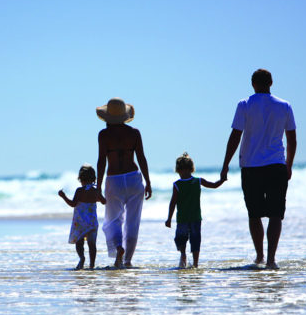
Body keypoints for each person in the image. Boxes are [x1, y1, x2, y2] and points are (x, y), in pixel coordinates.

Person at [220, 69, 297, 269]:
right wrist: (288, 165)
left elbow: (235, 136)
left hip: (251, 166)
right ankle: (271, 259)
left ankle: (260, 256)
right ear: (271, 82)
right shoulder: (284, 105)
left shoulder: (245, 104)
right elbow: (291, 139)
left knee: (254, 214)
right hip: (276, 165)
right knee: (275, 214)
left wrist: (226, 164)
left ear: (252, 84)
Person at [96, 98, 152, 269]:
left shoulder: (104, 135)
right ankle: (127, 261)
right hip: (134, 178)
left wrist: (98, 187)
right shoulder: (134, 133)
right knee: (133, 222)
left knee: (112, 220)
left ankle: (119, 248)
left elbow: (101, 162)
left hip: (114, 179)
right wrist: (148, 181)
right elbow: (141, 157)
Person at [165, 153, 225, 268]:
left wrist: (222, 180)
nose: (183, 173)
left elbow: (213, 185)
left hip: (190, 218)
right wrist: (169, 218)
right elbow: (172, 203)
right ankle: (186, 258)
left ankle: (193, 262)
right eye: (181, 170)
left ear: (189, 169)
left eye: (184, 170)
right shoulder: (181, 184)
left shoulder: (193, 182)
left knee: (191, 239)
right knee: (188, 239)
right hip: (188, 218)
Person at [58, 164, 105, 270]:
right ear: (94, 178)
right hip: (92, 223)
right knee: (92, 244)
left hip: (80, 223)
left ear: (80, 178)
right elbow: (104, 201)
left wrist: (63, 196)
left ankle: (82, 258)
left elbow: (73, 204)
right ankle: (92, 265)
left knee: (79, 242)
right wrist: (97, 197)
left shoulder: (79, 191)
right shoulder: (96, 191)